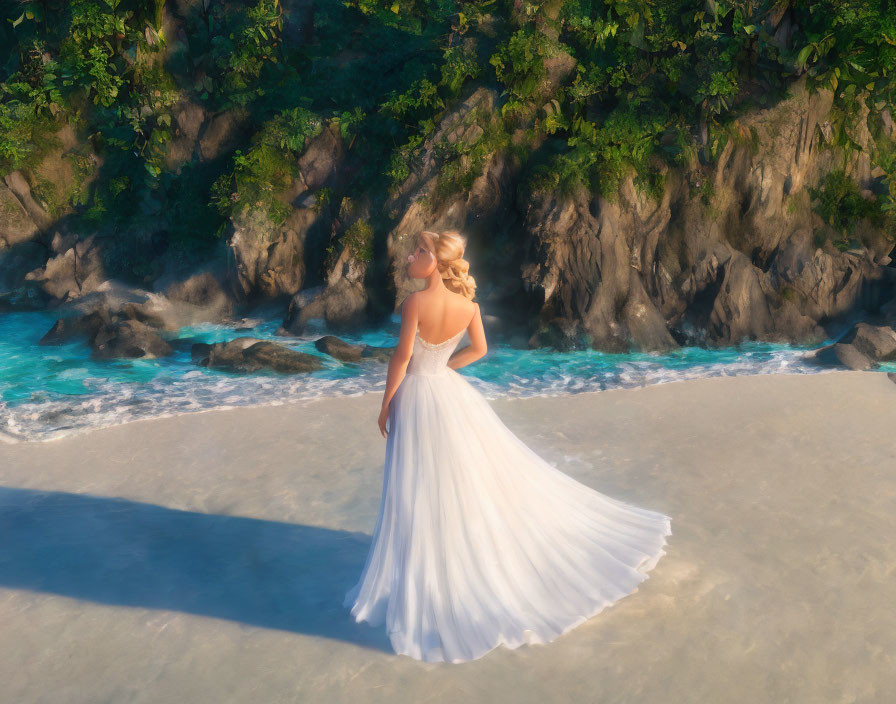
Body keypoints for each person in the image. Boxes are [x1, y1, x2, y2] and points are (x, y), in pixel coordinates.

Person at [343, 229, 672, 664]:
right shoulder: (469, 307)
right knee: (459, 481)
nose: (409, 256)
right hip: (448, 393)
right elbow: (478, 348)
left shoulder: (415, 303)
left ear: (437, 263)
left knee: (419, 487)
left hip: (420, 398)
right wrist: (444, 367)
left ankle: (432, 572)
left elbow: (402, 358)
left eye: (419, 251)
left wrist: (386, 405)